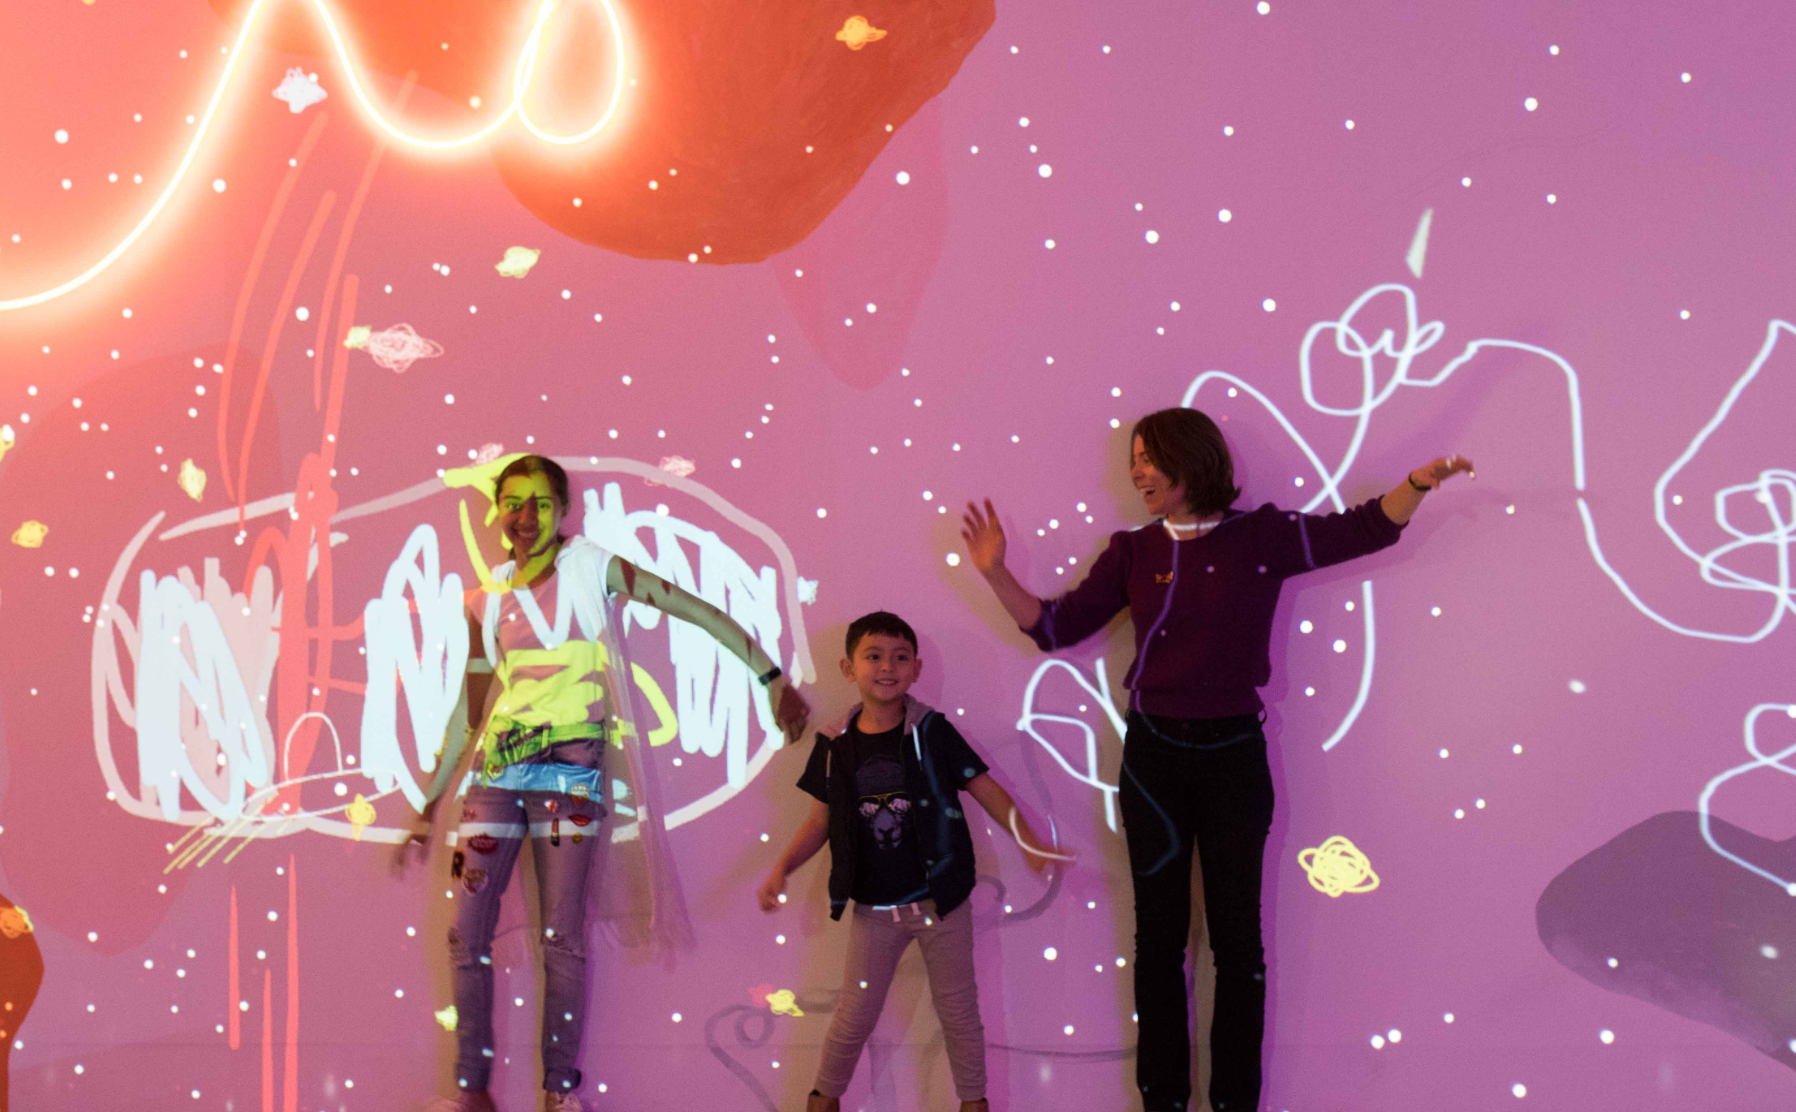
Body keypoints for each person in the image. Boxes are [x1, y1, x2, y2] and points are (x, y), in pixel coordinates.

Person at [959, 408, 1472, 1112]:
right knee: (1159, 941)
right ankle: (1163, 1102)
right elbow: (1054, 627)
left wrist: (1416, 483)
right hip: (1154, 761)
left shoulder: (1259, 536)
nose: (1136, 472)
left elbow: (1362, 529)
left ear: (1190, 460)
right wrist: (995, 573)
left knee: (1237, 943)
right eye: (1133, 459)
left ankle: (1235, 1103)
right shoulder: (1132, 552)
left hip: (1233, 756)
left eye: (1148, 458)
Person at [406, 454, 811, 1112]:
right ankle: (472, 1091)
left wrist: (769, 677)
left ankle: (558, 1092)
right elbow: (470, 709)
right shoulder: (486, 598)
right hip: (498, 772)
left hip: (571, 769)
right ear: (497, 511)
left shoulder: (592, 566)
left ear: (563, 510)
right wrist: (430, 802)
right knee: (465, 933)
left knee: (562, 936)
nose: (526, 516)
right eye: (513, 502)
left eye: (541, 503)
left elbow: (689, 607)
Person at [757, 611, 1068, 1112]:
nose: (887, 667)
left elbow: (986, 789)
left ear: (916, 669)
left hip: (941, 904)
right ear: (848, 667)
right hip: (874, 911)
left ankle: (974, 1104)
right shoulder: (834, 745)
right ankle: (823, 1100)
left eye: (900, 657)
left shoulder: (934, 732)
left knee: (959, 1012)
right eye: (874, 656)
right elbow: (819, 823)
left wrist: (1028, 841)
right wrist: (782, 868)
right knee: (855, 1013)